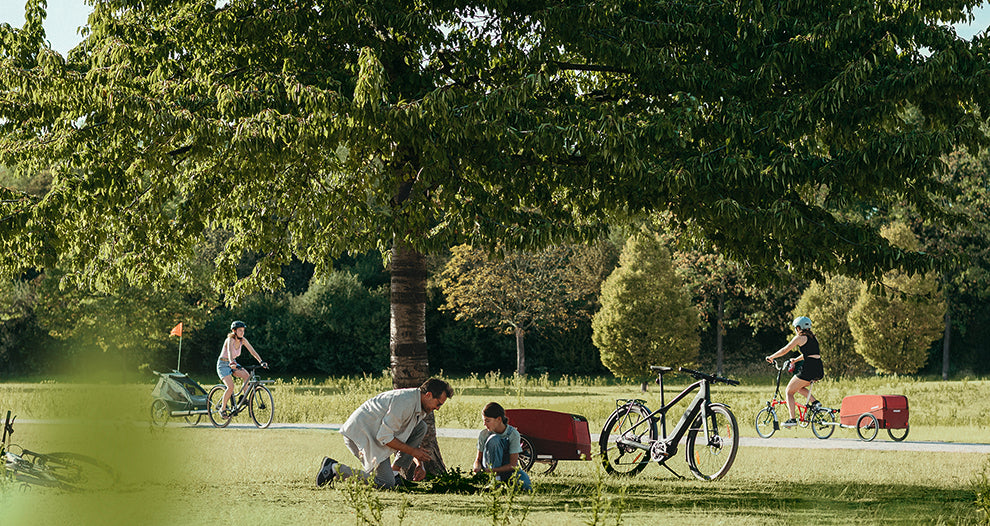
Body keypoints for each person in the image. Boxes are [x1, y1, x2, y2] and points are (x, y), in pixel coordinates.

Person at [316, 378, 453, 489]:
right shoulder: (405, 402)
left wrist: (419, 464)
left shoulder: (418, 406)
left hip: (376, 439)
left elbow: (405, 438)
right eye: (438, 404)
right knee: (385, 483)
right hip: (361, 437)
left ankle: (394, 471)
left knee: (420, 427)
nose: (438, 408)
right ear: (428, 395)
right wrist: (413, 452)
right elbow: (385, 437)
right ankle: (334, 468)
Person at [765, 316, 824, 427]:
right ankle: (815, 403)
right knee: (799, 388)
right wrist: (796, 360)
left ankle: (792, 419)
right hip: (818, 369)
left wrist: (772, 357)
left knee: (789, 391)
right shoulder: (813, 338)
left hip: (809, 369)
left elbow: (785, 350)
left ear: (798, 327)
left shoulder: (799, 338)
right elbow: (810, 354)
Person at [472, 402, 531, 491]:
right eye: (483, 420)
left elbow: (513, 465)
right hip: (490, 470)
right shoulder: (484, 434)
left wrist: (494, 470)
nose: (484, 424)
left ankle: (502, 481)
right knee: (494, 439)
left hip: (507, 470)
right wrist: (477, 467)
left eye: (487, 420)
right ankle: (495, 481)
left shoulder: (513, 434)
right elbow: (478, 459)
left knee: (525, 485)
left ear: (499, 419)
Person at [216, 320, 267, 416]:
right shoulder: (230, 340)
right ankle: (222, 409)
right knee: (230, 387)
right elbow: (230, 352)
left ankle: (243, 398)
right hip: (223, 364)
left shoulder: (243, 340)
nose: (242, 332)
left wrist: (261, 361)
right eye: (240, 330)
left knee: (247, 375)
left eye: (243, 330)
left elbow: (252, 351)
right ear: (234, 331)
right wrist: (231, 362)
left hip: (233, 363)